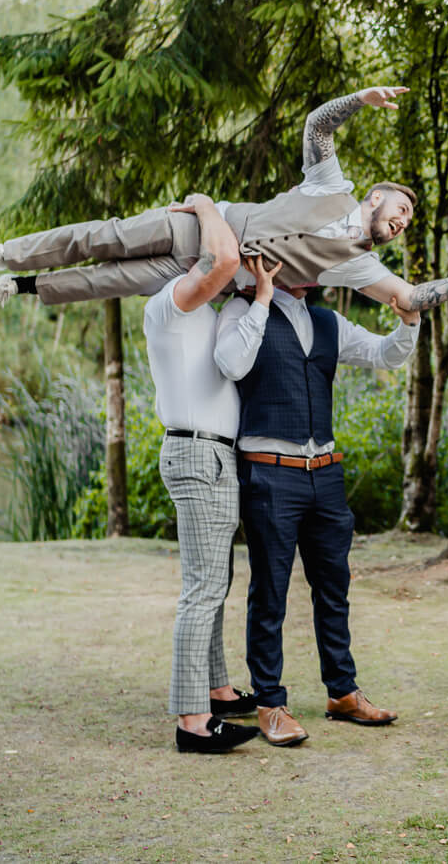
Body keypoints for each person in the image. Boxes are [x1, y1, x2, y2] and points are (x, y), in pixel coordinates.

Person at [0, 85, 448, 315]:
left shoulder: (360, 265)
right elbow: (318, 125)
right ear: (375, 196)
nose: (403, 221)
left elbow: (410, 299)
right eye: (402, 209)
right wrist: (360, 99)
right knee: (100, 236)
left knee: (104, 281)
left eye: (409, 222)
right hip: (201, 228)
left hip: (213, 277)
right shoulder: (331, 184)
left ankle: (12, 287)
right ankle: (0, 254)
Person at [213, 253, 417, 746]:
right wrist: (261, 297)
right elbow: (231, 363)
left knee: (334, 589)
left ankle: (342, 692)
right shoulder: (241, 312)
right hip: (269, 475)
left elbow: (386, 354)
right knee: (270, 595)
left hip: (325, 476)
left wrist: (409, 319)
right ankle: (271, 704)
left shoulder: (328, 321)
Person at [139, 193, 270, 754]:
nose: (215, 260)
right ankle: (193, 722)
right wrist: (204, 204)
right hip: (196, 454)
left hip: (216, 455)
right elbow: (220, 260)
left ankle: (215, 690)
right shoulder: (169, 303)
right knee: (202, 590)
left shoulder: (207, 311)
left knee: (216, 582)